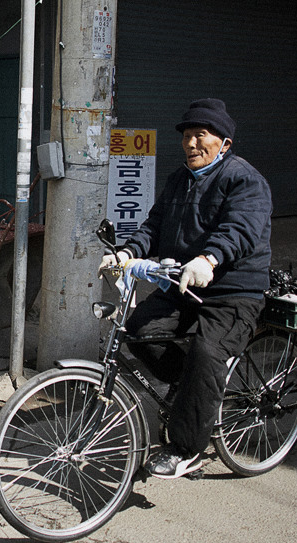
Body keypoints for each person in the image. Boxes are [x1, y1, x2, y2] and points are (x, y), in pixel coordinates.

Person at [102, 98, 272, 479]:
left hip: (233, 290)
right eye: (187, 135)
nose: (191, 143)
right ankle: (194, 393)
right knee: (136, 332)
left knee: (206, 351)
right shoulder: (180, 178)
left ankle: (184, 448)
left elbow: (240, 230)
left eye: (201, 135)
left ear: (224, 144)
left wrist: (209, 259)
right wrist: (127, 252)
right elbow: (154, 224)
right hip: (183, 283)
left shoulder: (244, 179)